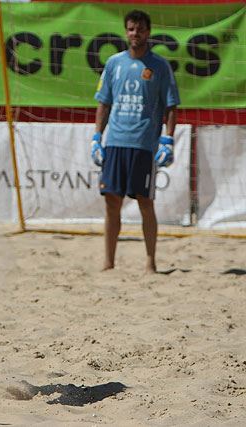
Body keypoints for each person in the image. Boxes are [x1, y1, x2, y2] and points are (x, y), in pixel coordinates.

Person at [91, 9, 180, 273]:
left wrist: (168, 140)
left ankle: (151, 263)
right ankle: (109, 262)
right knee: (112, 202)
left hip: (144, 144)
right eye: (131, 28)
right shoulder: (114, 63)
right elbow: (103, 103)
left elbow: (171, 106)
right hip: (115, 142)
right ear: (126, 31)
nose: (135, 33)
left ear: (148, 32)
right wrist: (97, 137)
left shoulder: (160, 66)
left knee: (145, 201)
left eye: (140, 29)